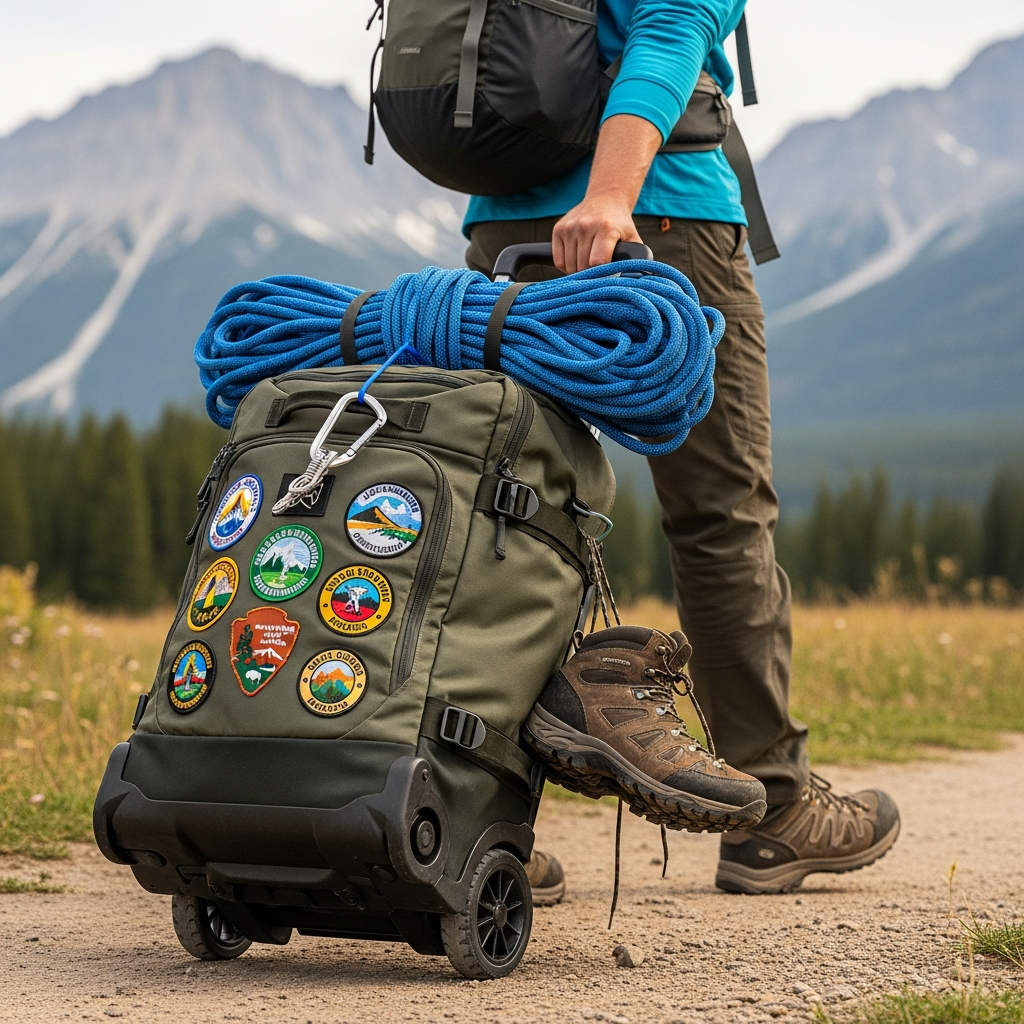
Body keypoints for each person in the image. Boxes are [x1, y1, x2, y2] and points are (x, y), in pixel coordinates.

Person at [464, 0, 900, 900]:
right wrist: (610, 194)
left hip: (503, 230)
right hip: (652, 221)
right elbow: (670, 25)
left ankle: (475, 818)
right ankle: (774, 811)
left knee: (503, 517)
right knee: (719, 517)